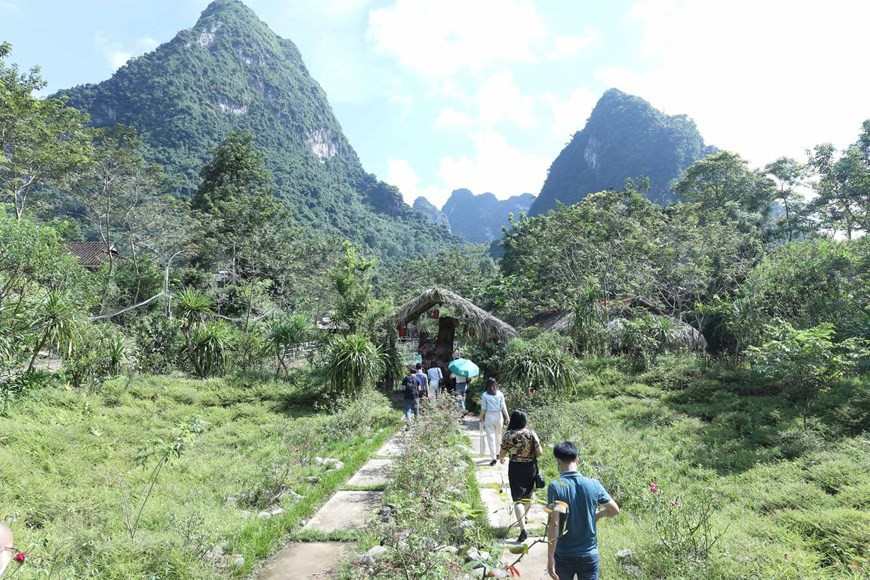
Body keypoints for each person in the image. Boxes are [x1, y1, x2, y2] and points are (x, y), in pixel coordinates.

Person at [546, 441, 620, 580]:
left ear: (558, 462)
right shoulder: (593, 484)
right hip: (589, 554)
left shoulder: (555, 487)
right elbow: (614, 510)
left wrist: (550, 557)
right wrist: (598, 514)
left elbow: (554, 524)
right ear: (577, 460)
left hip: (564, 555)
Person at [499, 409, 543, 543]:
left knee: (517, 499)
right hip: (530, 467)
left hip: (515, 468)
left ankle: (522, 528)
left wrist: (502, 458)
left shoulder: (507, 435)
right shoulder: (531, 434)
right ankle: (525, 516)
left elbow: (501, 454)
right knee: (528, 495)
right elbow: (540, 452)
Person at [479, 377, 509, 466]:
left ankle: (493, 458)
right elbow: (503, 406)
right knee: (498, 436)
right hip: (498, 416)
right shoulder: (500, 394)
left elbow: (483, 408)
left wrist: (481, 417)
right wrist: (507, 417)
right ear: (495, 384)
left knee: (490, 438)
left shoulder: (485, 395)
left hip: (489, 416)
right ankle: (498, 454)